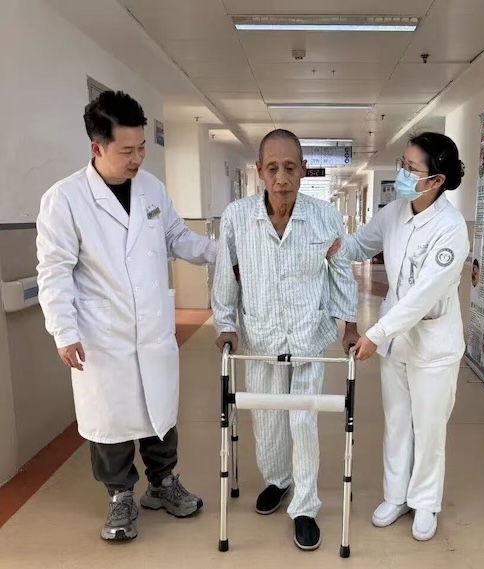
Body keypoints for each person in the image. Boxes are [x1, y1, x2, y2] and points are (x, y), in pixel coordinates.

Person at [36, 91, 215, 541]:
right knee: (110, 420)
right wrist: (63, 330)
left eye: (142, 148)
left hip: (151, 326)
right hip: (103, 333)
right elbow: (54, 271)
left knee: (160, 412)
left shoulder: (152, 188)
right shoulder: (65, 199)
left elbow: (177, 237)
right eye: (127, 150)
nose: (137, 159)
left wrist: (223, 252)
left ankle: (163, 484)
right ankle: (119, 496)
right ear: (97, 147)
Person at [213, 129, 360, 551]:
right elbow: (225, 275)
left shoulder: (324, 216)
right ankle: (278, 481)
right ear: (260, 171)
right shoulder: (238, 217)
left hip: (309, 336)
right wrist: (225, 323)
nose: (282, 178)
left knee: (302, 420)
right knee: (267, 420)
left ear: (304, 170)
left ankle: (305, 506)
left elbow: (340, 273)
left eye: (290, 168)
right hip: (261, 337)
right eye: (273, 168)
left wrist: (349, 325)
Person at [337, 132, 469, 542]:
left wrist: (375, 334)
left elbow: (422, 295)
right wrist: (329, 246)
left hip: (433, 345)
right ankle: (395, 496)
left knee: (429, 429)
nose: (403, 175)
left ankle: (425, 502)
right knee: (396, 422)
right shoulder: (394, 212)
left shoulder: (451, 228)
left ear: (437, 180)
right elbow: (359, 245)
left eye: (412, 169)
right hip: (397, 344)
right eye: (403, 165)